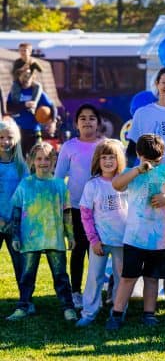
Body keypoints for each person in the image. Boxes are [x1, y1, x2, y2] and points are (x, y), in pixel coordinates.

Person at [106, 134, 165, 331]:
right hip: (135, 238)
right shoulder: (132, 173)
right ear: (138, 154)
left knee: (152, 277)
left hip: (160, 239)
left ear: (162, 157)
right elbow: (117, 185)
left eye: (156, 160)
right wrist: (137, 169)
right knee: (128, 277)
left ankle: (149, 313)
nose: (151, 164)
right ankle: (117, 313)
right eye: (147, 159)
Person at [126, 67, 165, 306]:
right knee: (144, 236)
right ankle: (132, 286)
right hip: (146, 184)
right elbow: (132, 149)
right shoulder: (144, 113)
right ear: (157, 84)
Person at [6, 143, 77, 322]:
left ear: (54, 161)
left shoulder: (60, 185)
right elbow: (16, 211)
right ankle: (24, 306)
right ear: (31, 161)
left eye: (47, 158)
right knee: (27, 276)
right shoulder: (25, 184)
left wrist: (70, 235)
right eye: (39, 158)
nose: (43, 162)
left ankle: (68, 307)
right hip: (30, 239)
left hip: (55, 238)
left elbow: (67, 212)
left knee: (61, 276)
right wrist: (15, 235)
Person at [54, 104, 104, 309]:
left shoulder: (106, 145)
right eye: (82, 118)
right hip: (76, 207)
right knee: (78, 249)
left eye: (92, 118)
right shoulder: (69, 147)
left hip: (101, 209)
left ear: (98, 123)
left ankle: (96, 292)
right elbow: (58, 178)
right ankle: (76, 291)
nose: (87, 121)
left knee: (98, 250)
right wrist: (59, 206)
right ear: (76, 124)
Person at [76, 140, 128, 327]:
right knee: (94, 277)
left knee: (122, 277)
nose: (108, 161)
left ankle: (118, 310)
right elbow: (86, 214)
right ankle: (89, 312)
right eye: (104, 157)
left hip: (122, 241)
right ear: (98, 161)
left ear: (119, 159)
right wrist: (93, 239)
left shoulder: (125, 182)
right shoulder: (93, 185)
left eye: (112, 157)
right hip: (100, 241)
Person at [0, 119, 28, 294]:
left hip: (15, 224)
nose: (5, 141)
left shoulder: (21, 166)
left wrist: (14, 221)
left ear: (16, 139)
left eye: (9, 137)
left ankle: (25, 301)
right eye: (1, 137)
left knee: (20, 264)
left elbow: (25, 197)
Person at [5, 63, 58, 155]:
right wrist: (24, 105)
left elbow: (52, 106)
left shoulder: (37, 92)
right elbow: (9, 107)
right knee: (18, 160)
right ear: (19, 76)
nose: (26, 78)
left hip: (34, 131)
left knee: (34, 159)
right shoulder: (15, 91)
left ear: (32, 77)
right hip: (17, 131)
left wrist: (53, 122)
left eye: (29, 75)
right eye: (24, 75)